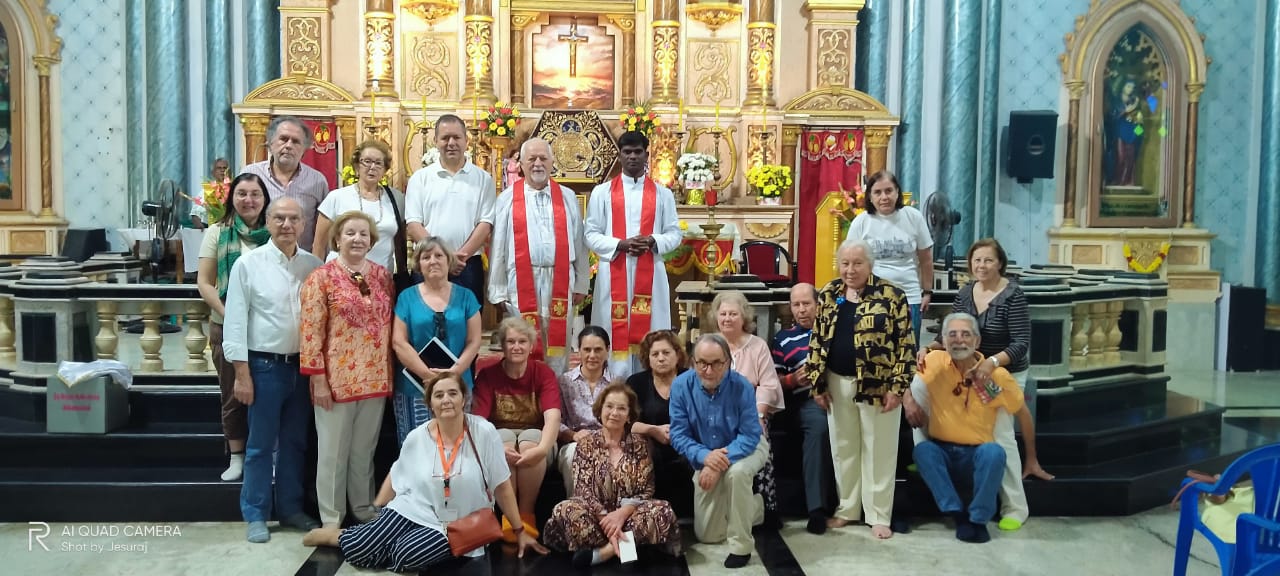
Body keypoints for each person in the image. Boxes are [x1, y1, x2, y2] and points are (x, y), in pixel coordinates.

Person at [302, 373, 548, 570]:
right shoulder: (417, 436)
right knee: (360, 550)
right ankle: (338, 535)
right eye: (439, 395)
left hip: (457, 523)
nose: (446, 400)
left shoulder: (483, 432)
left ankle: (381, 542)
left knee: (406, 556)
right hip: (414, 509)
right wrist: (379, 508)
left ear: (464, 398)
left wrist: (519, 530)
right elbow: (398, 473)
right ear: (430, 403)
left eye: (453, 393)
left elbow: (502, 486)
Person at [222, 197, 324, 543]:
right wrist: (241, 373)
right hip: (263, 366)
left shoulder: (314, 266)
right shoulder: (248, 265)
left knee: (296, 443)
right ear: (267, 221)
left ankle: (292, 509)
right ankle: (256, 513)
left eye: (293, 218)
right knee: (260, 446)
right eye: (279, 218)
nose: (286, 225)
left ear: (303, 224)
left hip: (302, 367)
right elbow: (234, 322)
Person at [903, 312, 1052, 543]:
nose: (959, 340)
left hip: (978, 455)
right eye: (952, 335)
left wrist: (1031, 458)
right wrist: (908, 400)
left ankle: (978, 519)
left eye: (965, 334)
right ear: (943, 342)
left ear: (977, 341)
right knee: (923, 451)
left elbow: (1022, 413)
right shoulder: (933, 362)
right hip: (942, 451)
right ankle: (957, 514)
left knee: (994, 452)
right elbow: (899, 376)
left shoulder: (998, 375)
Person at [919, 237, 1034, 530]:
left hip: (1001, 372)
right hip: (968, 365)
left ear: (1000, 263)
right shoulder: (967, 291)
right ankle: (932, 455)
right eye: (977, 260)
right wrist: (930, 348)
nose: (981, 266)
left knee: (1002, 434)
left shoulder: (1013, 294)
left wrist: (991, 363)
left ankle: (1015, 508)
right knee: (927, 392)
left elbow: (1022, 342)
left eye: (988, 260)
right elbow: (955, 327)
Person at [806, 238, 915, 539]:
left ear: (870, 265)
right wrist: (816, 382)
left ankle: (878, 515)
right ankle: (848, 508)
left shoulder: (892, 295)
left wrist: (898, 386)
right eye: (845, 263)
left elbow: (906, 345)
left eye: (857, 263)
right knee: (844, 450)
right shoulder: (829, 293)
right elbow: (817, 340)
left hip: (879, 387)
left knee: (878, 450)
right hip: (836, 383)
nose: (850, 269)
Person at [300, 211, 394, 529]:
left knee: (363, 451)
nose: (357, 239)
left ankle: (364, 508)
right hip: (336, 380)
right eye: (350, 233)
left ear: (372, 241)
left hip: (376, 377)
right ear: (337, 238)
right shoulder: (321, 277)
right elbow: (311, 331)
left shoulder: (382, 275)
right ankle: (332, 517)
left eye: (363, 234)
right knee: (332, 453)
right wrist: (318, 379)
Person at [544, 382, 680, 567]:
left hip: (630, 515)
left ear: (629, 415)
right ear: (600, 411)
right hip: (597, 517)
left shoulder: (640, 444)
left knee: (662, 510)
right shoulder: (586, 444)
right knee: (565, 510)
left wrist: (622, 514)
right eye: (609, 406)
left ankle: (605, 552)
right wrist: (605, 518)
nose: (614, 413)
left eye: (621, 408)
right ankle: (627, 549)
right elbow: (582, 489)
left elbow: (647, 489)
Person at [584, 131, 682, 378]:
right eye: (627, 152)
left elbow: (673, 234)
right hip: (615, 270)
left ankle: (650, 382)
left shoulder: (663, 194)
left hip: (651, 274)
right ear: (619, 155)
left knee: (651, 331)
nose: (633, 157)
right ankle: (613, 383)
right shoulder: (602, 193)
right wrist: (620, 244)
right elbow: (591, 234)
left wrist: (652, 240)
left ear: (647, 155)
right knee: (612, 327)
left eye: (638, 151)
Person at [488, 137, 590, 374]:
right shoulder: (507, 199)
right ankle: (526, 399)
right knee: (522, 342)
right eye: (531, 159)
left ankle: (556, 397)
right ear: (520, 164)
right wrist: (498, 287)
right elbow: (499, 245)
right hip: (521, 280)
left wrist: (581, 282)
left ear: (552, 162)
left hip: (560, 278)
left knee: (558, 345)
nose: (537, 164)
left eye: (543, 158)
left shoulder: (567, 197)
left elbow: (579, 241)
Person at [196, 173, 271, 482]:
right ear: (232, 198)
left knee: (266, 395)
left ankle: (266, 455)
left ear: (265, 199)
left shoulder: (275, 232)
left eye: (255, 194)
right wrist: (231, 315)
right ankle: (236, 456)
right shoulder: (217, 232)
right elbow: (204, 281)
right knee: (233, 393)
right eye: (242, 194)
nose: (248, 200)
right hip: (226, 325)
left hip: (267, 329)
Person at [670, 334, 769, 569]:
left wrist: (717, 461)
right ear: (693, 361)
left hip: (747, 447)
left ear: (728, 362)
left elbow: (749, 435)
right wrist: (706, 457)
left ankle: (741, 546)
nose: (708, 370)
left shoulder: (741, 385)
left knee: (738, 474)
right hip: (705, 453)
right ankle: (754, 507)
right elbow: (678, 434)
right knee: (708, 534)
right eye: (702, 362)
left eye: (716, 363)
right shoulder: (681, 386)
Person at [471, 316, 563, 540]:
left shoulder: (543, 373)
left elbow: (553, 418)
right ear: (502, 345)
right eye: (510, 342)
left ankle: (526, 515)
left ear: (531, 346)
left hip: (538, 441)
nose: (516, 347)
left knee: (531, 438)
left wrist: (542, 449)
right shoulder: (488, 375)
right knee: (501, 438)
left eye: (522, 341)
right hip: (500, 441)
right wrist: (496, 450)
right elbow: (478, 422)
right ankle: (509, 520)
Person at [391, 237, 483, 444]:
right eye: (426, 257)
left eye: (439, 255)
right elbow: (399, 342)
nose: (433, 261)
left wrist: (454, 373)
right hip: (415, 386)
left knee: (455, 446)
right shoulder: (406, 297)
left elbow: (474, 341)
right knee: (416, 448)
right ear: (418, 264)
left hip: (457, 384)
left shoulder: (467, 296)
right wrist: (427, 375)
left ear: (449, 261)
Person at [709, 291, 784, 526]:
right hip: (716, 414)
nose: (728, 318)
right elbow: (701, 380)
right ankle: (721, 510)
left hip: (752, 413)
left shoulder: (757, 346)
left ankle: (762, 507)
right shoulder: (709, 344)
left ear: (744, 317)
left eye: (733, 314)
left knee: (759, 438)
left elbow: (769, 385)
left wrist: (759, 413)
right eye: (723, 314)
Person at [404, 114, 496, 305]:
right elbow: (413, 224)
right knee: (426, 324)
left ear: (466, 141)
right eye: (445, 138)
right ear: (435, 141)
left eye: (456, 137)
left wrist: (458, 258)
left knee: (468, 326)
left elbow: (485, 223)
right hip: (428, 262)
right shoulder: (420, 178)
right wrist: (441, 256)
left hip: (467, 264)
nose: (451, 143)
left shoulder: (483, 179)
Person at [771, 282, 835, 535]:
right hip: (804, 399)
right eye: (795, 305)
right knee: (818, 427)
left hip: (843, 395)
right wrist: (791, 380)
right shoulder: (783, 339)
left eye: (806, 303)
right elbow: (773, 381)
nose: (801, 310)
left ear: (818, 304)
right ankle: (817, 509)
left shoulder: (834, 332)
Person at [843, 170, 934, 339]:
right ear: (870, 196)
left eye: (888, 191)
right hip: (872, 297)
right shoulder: (861, 222)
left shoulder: (913, 217)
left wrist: (927, 292)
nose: (884, 197)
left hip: (909, 295)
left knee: (908, 350)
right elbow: (848, 263)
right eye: (877, 192)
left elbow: (926, 259)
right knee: (873, 350)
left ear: (897, 192)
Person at [626, 329, 694, 516]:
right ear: (647, 358)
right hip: (650, 444)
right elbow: (625, 423)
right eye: (655, 354)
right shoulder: (636, 382)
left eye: (666, 353)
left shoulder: (691, 379)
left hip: (687, 442)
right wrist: (653, 430)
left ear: (677, 355)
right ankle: (647, 513)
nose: (661, 358)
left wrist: (680, 434)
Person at [312, 140, 406, 273]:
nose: (372, 167)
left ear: (385, 169)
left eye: (378, 163)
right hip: (339, 276)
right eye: (367, 161)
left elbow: (400, 241)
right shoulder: (336, 197)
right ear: (357, 166)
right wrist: (317, 278)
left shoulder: (397, 198)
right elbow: (319, 245)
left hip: (381, 278)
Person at [240, 116, 330, 252]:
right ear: (270, 143)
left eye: (296, 142)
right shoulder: (251, 174)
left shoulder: (317, 181)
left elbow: (322, 233)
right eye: (283, 139)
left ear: (305, 149)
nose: (288, 145)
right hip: (256, 259)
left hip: (301, 263)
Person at [555, 326, 613, 498]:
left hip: (609, 441)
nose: (592, 355)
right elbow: (555, 421)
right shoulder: (564, 381)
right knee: (575, 455)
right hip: (573, 442)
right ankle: (577, 513)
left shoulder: (616, 383)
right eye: (587, 350)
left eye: (598, 350)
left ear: (607, 350)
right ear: (578, 351)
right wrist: (573, 435)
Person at [191, 157, 230, 229]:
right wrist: (199, 225)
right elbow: (195, 213)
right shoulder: (208, 189)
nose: (222, 170)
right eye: (219, 168)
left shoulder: (235, 189)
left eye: (225, 168)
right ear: (213, 173)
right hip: (211, 229)